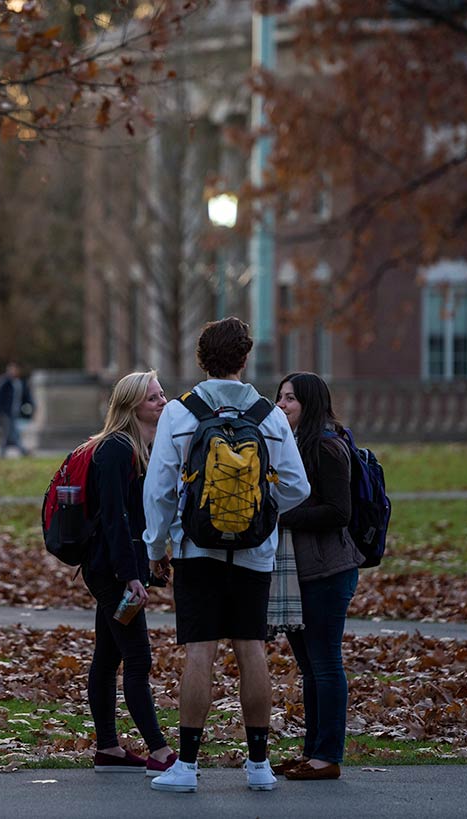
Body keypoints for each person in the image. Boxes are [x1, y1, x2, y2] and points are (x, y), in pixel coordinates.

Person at [143, 317, 310, 794]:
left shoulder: (180, 413)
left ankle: (188, 766)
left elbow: (157, 492)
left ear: (202, 358)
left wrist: (158, 547)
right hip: (255, 553)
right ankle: (259, 766)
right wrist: (262, 512)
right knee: (250, 648)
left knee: (201, 652)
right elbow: (298, 488)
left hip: (196, 550)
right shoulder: (269, 415)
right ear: (244, 359)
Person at [79, 370, 177, 776]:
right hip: (112, 572)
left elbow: (137, 517)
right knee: (138, 657)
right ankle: (158, 749)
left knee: (107, 657)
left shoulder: (140, 448)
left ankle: (108, 749)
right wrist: (130, 576)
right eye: (153, 397)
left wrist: (152, 560)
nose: (162, 401)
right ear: (131, 405)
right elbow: (117, 521)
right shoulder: (118, 449)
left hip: (118, 568)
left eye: (161, 394)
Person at [273, 372, 366, 781]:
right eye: (279, 398)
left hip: (328, 571)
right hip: (301, 572)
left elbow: (339, 512)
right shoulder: (293, 446)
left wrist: (281, 516)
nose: (282, 405)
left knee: (325, 664)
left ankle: (327, 756)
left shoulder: (327, 446)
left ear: (310, 403)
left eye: (290, 399)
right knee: (310, 667)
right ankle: (313, 753)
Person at [0, 362, 33, 458]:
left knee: (10, 433)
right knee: (8, 433)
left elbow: (23, 397)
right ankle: (21, 451)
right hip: (5, 412)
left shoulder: (18, 382)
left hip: (14, 412)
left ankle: (6, 452)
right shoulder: (4, 382)